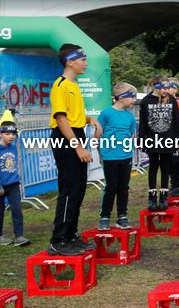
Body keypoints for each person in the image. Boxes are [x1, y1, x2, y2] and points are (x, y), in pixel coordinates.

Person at [48, 44, 101, 256]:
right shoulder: (60, 85)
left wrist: (90, 119)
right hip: (66, 138)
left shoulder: (74, 84)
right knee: (69, 190)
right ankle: (57, 240)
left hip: (75, 134)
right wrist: (78, 147)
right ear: (70, 61)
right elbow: (61, 119)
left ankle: (70, 236)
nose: (86, 63)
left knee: (78, 190)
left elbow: (73, 116)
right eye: (83, 60)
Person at [95, 83, 138, 231]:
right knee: (111, 186)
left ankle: (122, 216)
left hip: (126, 156)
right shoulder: (106, 113)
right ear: (121, 98)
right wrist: (100, 152)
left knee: (123, 187)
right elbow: (98, 134)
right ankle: (105, 216)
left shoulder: (130, 116)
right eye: (132, 97)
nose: (134, 101)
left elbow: (131, 135)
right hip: (109, 156)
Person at [139, 74, 179, 211]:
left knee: (165, 167)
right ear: (156, 87)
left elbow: (177, 121)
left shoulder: (171, 100)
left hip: (168, 140)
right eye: (164, 88)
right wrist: (141, 141)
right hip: (152, 140)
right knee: (153, 167)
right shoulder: (146, 101)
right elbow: (143, 123)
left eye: (168, 87)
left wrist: (178, 139)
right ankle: (152, 197)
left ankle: (164, 196)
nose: (166, 90)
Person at [0, 121, 29, 246]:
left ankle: (19, 236)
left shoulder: (12, 147)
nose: (11, 137)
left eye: (13, 134)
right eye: (7, 134)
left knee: (17, 209)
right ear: (0, 134)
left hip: (13, 185)